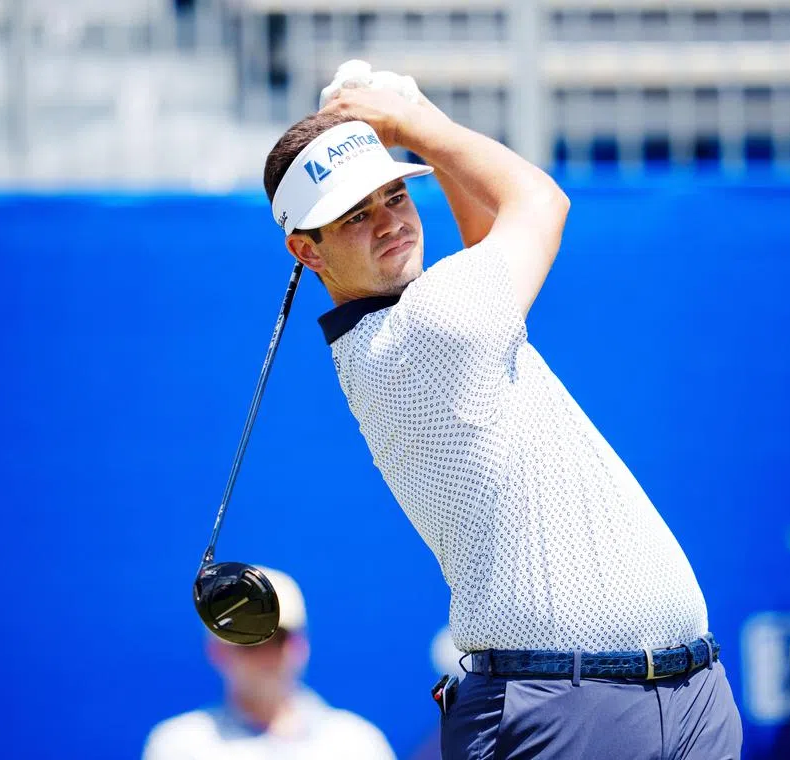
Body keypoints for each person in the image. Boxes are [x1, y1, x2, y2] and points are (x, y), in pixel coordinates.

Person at [263, 67, 743, 759]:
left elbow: (486, 234)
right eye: (355, 216)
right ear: (307, 251)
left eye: (395, 193)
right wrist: (411, 124)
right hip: (567, 711)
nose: (391, 222)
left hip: (679, 694)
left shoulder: (429, 318)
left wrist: (416, 115)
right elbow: (538, 201)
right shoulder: (429, 323)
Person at [143, 567, 395, 760]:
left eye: (277, 638)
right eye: (248, 640)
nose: (265, 655)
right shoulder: (178, 747)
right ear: (217, 651)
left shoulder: (358, 745)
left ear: (301, 645)